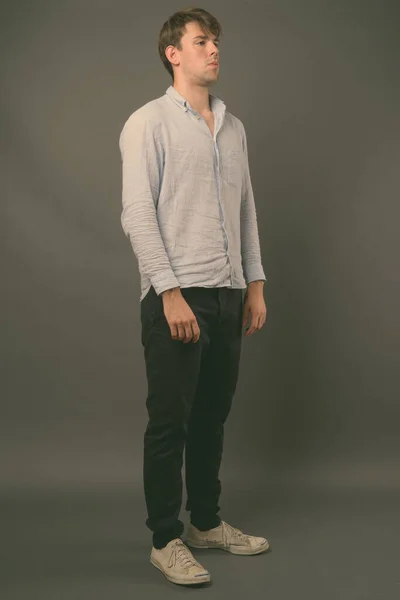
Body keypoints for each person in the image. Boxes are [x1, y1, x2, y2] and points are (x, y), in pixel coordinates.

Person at [119, 7, 269, 586]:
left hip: (230, 295)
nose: (214, 50)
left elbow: (247, 207)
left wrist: (254, 283)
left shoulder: (233, 128)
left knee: (212, 416)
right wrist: (169, 293)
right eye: (202, 41)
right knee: (170, 421)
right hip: (176, 297)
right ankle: (166, 538)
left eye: (217, 41)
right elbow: (136, 213)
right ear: (172, 53)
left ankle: (206, 522)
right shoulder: (148, 122)